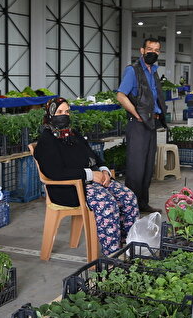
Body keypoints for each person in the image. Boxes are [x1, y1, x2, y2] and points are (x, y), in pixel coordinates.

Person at [34, 98, 139, 252]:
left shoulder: (73, 134)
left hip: (90, 182)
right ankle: (113, 256)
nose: (64, 115)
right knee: (107, 204)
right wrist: (90, 175)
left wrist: (104, 170)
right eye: (59, 112)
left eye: (67, 111)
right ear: (50, 115)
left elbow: (93, 155)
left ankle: (130, 247)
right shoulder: (47, 141)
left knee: (128, 197)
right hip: (68, 189)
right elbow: (55, 173)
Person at [115, 37, 167, 213]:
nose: (153, 52)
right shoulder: (133, 71)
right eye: (150, 49)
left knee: (146, 166)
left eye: (156, 50)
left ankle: (143, 203)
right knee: (136, 167)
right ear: (142, 50)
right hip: (138, 124)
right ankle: (130, 207)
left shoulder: (153, 72)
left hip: (151, 123)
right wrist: (136, 114)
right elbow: (121, 95)